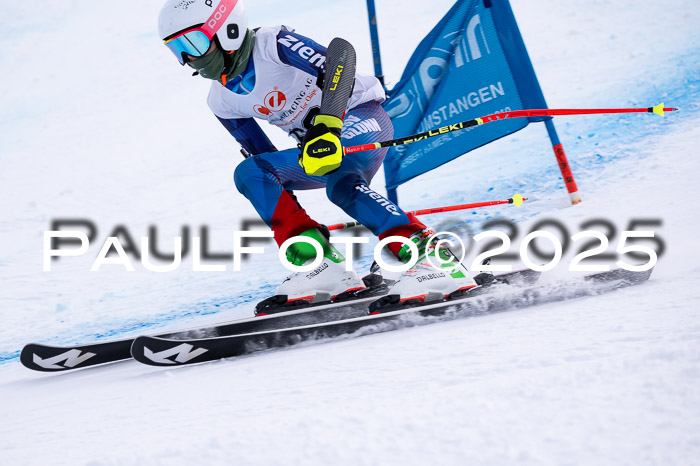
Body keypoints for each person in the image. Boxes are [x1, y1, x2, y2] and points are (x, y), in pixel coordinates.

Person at [157, 0, 476, 311]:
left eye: (194, 42)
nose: (188, 58)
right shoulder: (221, 101)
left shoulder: (272, 44)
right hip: (318, 152)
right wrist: (286, 207)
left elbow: (342, 56)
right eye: (177, 49)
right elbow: (265, 162)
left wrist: (328, 123)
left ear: (227, 29)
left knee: (339, 178)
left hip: (361, 118)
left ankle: (431, 259)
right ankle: (321, 264)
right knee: (252, 173)